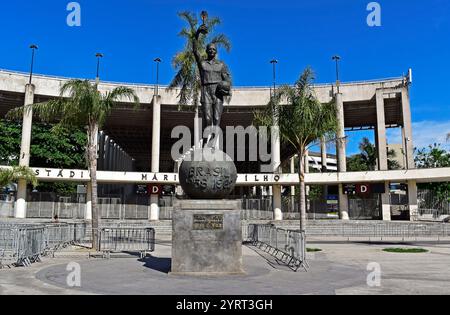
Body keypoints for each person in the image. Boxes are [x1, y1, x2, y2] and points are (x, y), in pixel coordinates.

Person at [193, 24, 232, 132]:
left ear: (216, 52)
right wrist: (197, 33)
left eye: (213, 49)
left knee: (217, 118)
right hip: (206, 91)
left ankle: (213, 141)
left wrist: (226, 85)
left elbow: (227, 79)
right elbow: (195, 50)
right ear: (206, 51)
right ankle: (206, 141)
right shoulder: (202, 63)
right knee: (208, 119)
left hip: (218, 92)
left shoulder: (221, 64)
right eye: (209, 49)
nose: (211, 51)